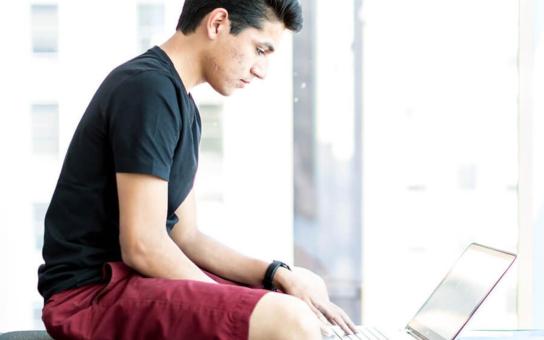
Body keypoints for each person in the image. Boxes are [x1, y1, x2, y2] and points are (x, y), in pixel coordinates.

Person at [37, 1, 358, 339]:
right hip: (90, 295)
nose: (261, 69)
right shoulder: (148, 90)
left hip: (130, 281)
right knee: (289, 319)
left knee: (300, 291)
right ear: (218, 23)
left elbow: (186, 236)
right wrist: (233, 300)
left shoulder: (182, 104)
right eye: (260, 50)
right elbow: (143, 245)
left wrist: (276, 274)